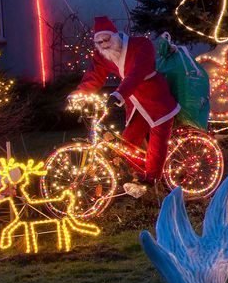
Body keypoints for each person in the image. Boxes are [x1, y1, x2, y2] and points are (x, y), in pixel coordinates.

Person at [71, 16, 179, 189]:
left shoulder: (141, 45)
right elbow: (94, 75)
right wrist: (79, 93)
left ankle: (152, 180)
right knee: (129, 141)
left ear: (115, 35)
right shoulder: (102, 56)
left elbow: (137, 72)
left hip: (155, 98)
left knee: (158, 139)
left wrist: (119, 93)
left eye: (106, 39)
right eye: (99, 42)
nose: (104, 44)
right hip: (135, 102)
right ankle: (137, 178)